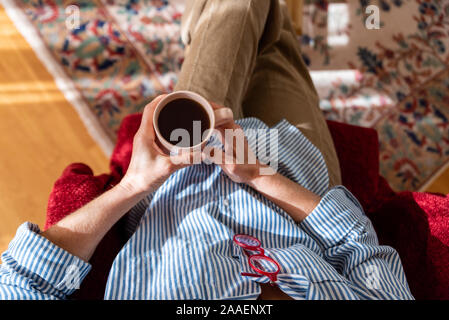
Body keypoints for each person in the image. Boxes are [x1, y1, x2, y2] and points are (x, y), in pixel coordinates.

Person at [0, 0, 413, 300]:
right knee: (274, 44)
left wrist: (135, 184)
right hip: (293, 172)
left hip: (179, 169)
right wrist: (259, 175)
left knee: (234, 10)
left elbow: (22, 280)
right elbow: (360, 250)